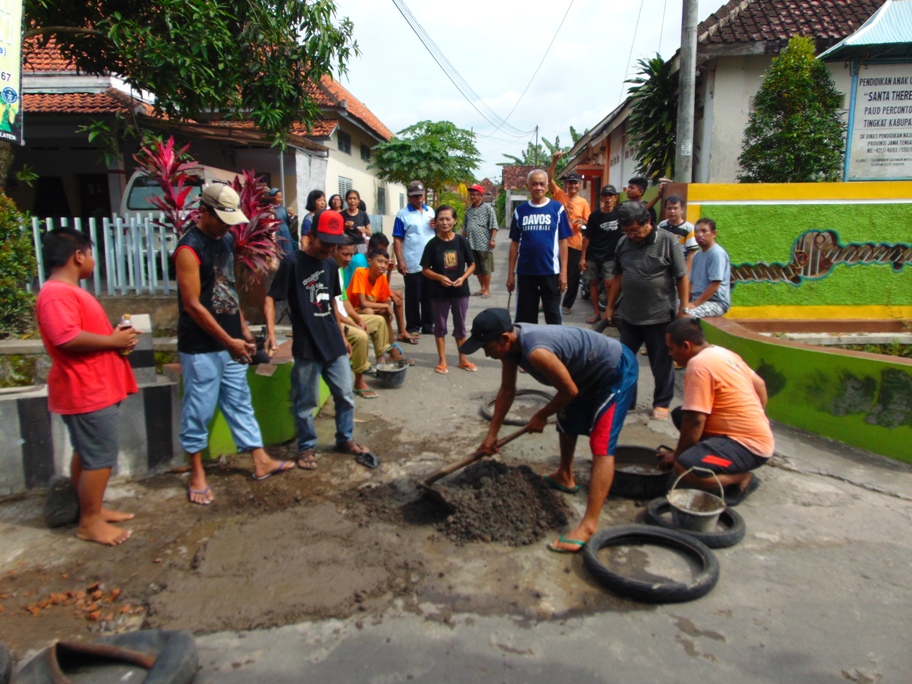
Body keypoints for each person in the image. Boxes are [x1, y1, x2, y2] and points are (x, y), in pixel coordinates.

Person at [461, 308, 639, 553]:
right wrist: (492, 434)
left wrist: (541, 415)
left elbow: (570, 392)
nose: (486, 354)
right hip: (580, 373)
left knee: (601, 442)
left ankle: (588, 525)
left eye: (487, 347)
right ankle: (565, 476)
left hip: (614, 371)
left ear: (504, 339)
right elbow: (507, 390)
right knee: (567, 419)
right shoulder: (510, 347)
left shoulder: (537, 352)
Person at [174, 184, 294, 504]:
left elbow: (227, 289)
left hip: (231, 342)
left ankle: (259, 459)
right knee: (198, 409)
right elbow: (193, 305)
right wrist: (227, 340)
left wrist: (242, 330)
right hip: (202, 346)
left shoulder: (226, 240)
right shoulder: (189, 249)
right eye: (222, 218)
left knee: (239, 400)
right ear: (205, 211)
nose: (229, 226)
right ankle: (196, 472)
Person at [35, 228, 139, 545]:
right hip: (86, 391)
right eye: (91, 254)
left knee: (88, 453)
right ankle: (89, 522)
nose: (93, 261)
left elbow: (79, 333)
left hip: (95, 387)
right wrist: (112, 340)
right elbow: (65, 337)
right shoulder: (56, 293)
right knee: (100, 457)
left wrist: (115, 340)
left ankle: (91, 509)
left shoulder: (67, 291)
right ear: (78, 256)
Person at [264, 209, 374, 470]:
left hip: (333, 342)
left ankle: (344, 438)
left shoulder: (330, 263)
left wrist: (342, 335)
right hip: (306, 344)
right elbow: (271, 298)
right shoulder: (292, 264)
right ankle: (306, 447)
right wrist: (270, 333)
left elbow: (333, 304)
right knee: (306, 401)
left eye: (334, 243)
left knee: (345, 395)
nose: (330, 248)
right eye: (325, 242)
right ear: (311, 236)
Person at [660, 317, 772, 504]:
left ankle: (741, 478)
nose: (671, 354)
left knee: (684, 467)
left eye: (672, 349)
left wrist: (678, 455)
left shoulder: (698, 366)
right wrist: (757, 417)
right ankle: (712, 457)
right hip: (750, 436)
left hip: (750, 448)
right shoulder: (723, 353)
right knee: (680, 414)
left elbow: (696, 420)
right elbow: (760, 384)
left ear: (686, 346)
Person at [605, 201, 688, 421]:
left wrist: (684, 309)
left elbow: (681, 276)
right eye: (626, 231)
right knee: (625, 361)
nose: (631, 235)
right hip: (630, 315)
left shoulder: (668, 242)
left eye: (634, 230)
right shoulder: (624, 243)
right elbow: (618, 277)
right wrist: (610, 307)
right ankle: (627, 400)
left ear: (647, 222)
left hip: (660, 315)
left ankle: (661, 403)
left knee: (661, 363)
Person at [333, 241, 411, 398]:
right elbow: (339, 307)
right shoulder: (349, 272)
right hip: (340, 319)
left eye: (350, 254)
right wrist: (352, 321)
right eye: (344, 254)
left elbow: (344, 302)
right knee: (362, 334)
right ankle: (359, 380)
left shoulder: (340, 271)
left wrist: (357, 319)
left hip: (349, 314)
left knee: (381, 319)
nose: (348, 259)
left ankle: (381, 361)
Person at [507, 169, 572, 324]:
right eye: (534, 184)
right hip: (526, 272)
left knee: (553, 316)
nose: (538, 187)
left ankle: (555, 348)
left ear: (547, 186)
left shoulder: (557, 209)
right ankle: (527, 347)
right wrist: (511, 274)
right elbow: (514, 244)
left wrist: (563, 273)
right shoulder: (520, 211)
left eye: (542, 184)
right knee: (526, 318)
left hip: (550, 272)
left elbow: (563, 242)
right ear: (528, 186)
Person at [420, 205, 476, 374]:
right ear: (435, 222)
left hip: (460, 290)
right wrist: (439, 277)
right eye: (441, 219)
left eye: (448, 219)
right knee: (440, 326)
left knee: (461, 326)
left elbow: (472, 264)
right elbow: (425, 269)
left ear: (454, 221)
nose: (444, 222)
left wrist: (463, 278)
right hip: (439, 292)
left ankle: (463, 358)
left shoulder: (462, 241)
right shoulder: (432, 244)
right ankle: (442, 360)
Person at [548, 153, 590, 315]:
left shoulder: (583, 202)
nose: (572, 186)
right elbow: (549, 179)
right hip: (557, 242)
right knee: (553, 274)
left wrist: (584, 223)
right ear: (566, 185)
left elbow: (588, 222)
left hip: (575, 244)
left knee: (572, 278)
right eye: (570, 183)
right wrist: (554, 161)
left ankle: (567, 305)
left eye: (575, 183)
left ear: (579, 185)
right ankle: (550, 302)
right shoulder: (559, 195)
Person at [393, 180, 436, 335]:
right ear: (409, 197)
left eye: (420, 196)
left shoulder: (431, 211)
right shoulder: (402, 215)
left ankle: (428, 324)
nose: (418, 199)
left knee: (429, 296)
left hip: (430, 263)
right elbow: (397, 239)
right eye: (415, 196)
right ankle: (412, 326)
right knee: (413, 296)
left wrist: (436, 226)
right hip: (412, 261)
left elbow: (438, 233)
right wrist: (400, 261)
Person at [579, 185, 622, 324]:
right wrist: (583, 257)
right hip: (593, 255)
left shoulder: (620, 215)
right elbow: (587, 237)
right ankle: (597, 312)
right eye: (605, 195)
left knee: (610, 283)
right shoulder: (595, 216)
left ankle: (610, 311)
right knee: (593, 283)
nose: (608, 198)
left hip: (610, 256)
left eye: (610, 195)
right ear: (601, 198)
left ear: (615, 198)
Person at [684, 218, 731, 318]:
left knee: (686, 315)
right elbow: (691, 283)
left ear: (714, 233)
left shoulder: (717, 254)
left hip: (715, 303)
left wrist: (694, 304)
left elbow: (715, 285)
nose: (700, 234)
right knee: (668, 309)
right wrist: (685, 302)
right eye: (697, 231)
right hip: (697, 300)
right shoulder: (697, 255)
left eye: (704, 231)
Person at [462, 183, 498, 298]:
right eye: (471, 194)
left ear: (481, 195)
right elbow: (465, 228)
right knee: (476, 268)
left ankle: (487, 289)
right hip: (471, 243)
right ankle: (482, 288)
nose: (473, 196)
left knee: (485, 267)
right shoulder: (469, 210)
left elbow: (494, 226)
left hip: (484, 243)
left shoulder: (488, 209)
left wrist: (492, 239)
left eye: (475, 194)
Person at [657, 195, 699, 274]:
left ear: (682, 209)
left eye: (675, 208)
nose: (672, 211)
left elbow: (692, 253)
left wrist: (686, 274)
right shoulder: (661, 225)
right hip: (663, 268)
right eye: (669, 208)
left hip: (680, 267)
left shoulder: (689, 228)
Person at [267, 188, 295, 257]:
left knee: (287, 250)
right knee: (279, 251)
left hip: (285, 232)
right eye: (278, 197)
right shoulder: (269, 209)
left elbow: (288, 221)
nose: (280, 199)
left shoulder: (283, 208)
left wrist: (291, 216)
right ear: (272, 197)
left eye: (281, 197)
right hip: (277, 232)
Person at [342, 189, 371, 254]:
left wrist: (364, 230)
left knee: (361, 262)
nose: (352, 201)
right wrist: (345, 226)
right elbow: (339, 233)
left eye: (355, 198)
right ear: (346, 200)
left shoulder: (363, 214)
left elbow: (369, 233)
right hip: (346, 245)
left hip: (361, 244)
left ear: (358, 201)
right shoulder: (341, 214)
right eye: (350, 198)